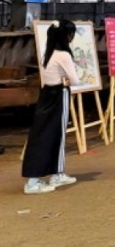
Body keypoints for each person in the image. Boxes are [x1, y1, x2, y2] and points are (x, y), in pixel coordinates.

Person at [22, 19, 82, 194]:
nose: (72, 37)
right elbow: (76, 80)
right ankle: (36, 181)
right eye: (71, 34)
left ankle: (56, 173)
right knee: (55, 136)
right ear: (66, 36)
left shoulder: (48, 53)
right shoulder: (63, 55)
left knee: (45, 134)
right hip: (58, 96)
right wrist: (68, 80)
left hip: (47, 95)